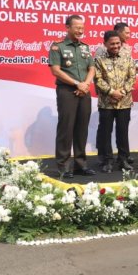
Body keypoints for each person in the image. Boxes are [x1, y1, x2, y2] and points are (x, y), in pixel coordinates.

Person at [48, 14, 95, 179]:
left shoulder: (85, 47)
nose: (80, 31)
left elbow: (92, 68)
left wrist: (86, 85)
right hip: (67, 91)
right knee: (66, 128)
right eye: (77, 28)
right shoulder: (57, 47)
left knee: (82, 129)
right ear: (67, 27)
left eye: (82, 28)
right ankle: (64, 166)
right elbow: (56, 70)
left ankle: (81, 165)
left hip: (84, 91)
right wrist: (77, 84)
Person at [94, 30, 136, 173]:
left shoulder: (127, 57)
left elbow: (132, 77)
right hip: (106, 103)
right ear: (105, 44)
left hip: (124, 102)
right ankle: (107, 161)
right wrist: (112, 92)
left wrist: (122, 92)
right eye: (112, 44)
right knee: (106, 132)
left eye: (118, 43)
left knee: (122, 132)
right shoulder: (99, 59)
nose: (116, 46)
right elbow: (97, 79)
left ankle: (123, 160)